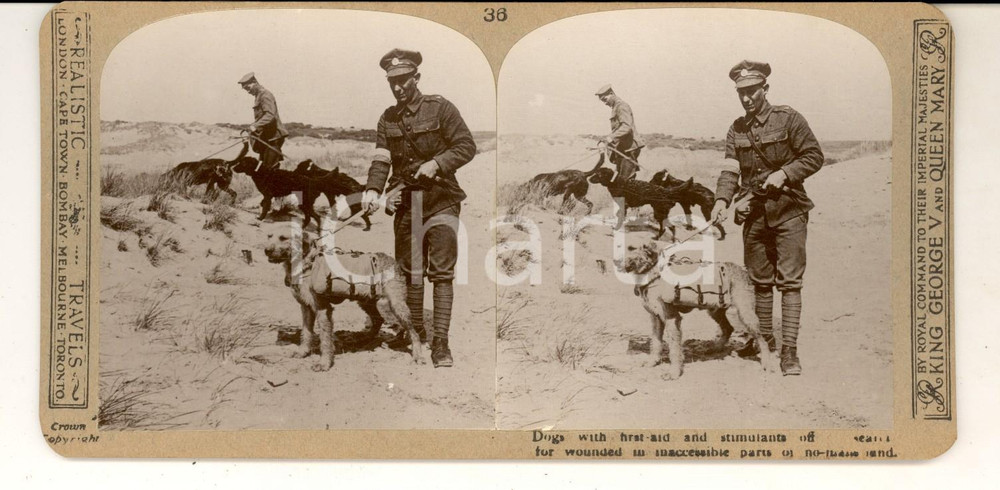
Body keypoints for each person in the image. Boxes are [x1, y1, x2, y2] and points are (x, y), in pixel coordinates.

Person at [361, 49, 477, 368]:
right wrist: (374, 189)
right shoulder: (387, 118)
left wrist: (437, 163)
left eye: (403, 81)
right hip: (407, 203)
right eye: (392, 82)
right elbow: (381, 158)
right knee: (411, 273)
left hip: (442, 200)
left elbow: (467, 146)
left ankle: (440, 343)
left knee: (441, 273)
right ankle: (414, 331)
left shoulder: (440, 108)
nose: (398, 88)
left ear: (416, 78)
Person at [710, 60, 824, 375]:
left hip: (789, 211)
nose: (746, 98)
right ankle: (766, 341)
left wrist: (785, 173)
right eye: (741, 93)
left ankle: (789, 353)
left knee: (789, 283)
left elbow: (814, 156)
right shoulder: (736, 128)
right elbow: (730, 168)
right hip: (754, 215)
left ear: (765, 89)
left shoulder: (789, 119)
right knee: (759, 282)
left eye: (751, 91)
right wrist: (721, 200)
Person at [238, 72, 289, 171]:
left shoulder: (265, 95)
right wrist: (251, 128)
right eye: (245, 89)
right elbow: (261, 118)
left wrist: (255, 126)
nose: (248, 91)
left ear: (254, 82)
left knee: (268, 170)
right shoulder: (258, 96)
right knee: (264, 169)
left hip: (274, 138)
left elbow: (270, 115)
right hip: (266, 138)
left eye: (248, 88)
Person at [595, 84, 644, 184]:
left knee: (626, 182)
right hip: (623, 149)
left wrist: (610, 138)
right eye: (602, 101)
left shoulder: (621, 106)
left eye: (605, 99)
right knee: (621, 180)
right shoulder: (615, 107)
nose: (605, 103)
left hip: (629, 149)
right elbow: (618, 130)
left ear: (611, 93)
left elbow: (627, 127)